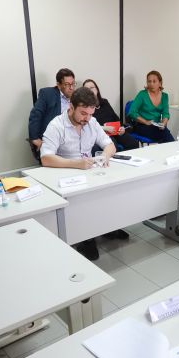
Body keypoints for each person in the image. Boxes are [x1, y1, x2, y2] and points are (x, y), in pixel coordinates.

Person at [40, 86, 119, 260]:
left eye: (90, 114)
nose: (87, 118)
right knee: (84, 200)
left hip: (88, 170)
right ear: (71, 106)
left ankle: (108, 227)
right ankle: (86, 238)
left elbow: (110, 145)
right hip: (65, 174)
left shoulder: (92, 122)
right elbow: (46, 158)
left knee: (112, 190)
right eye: (83, 113)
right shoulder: (56, 125)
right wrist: (76, 164)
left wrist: (105, 156)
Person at [28, 68, 75, 155]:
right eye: (67, 84)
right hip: (52, 140)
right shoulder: (48, 94)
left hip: (71, 141)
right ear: (59, 85)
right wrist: (35, 139)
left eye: (73, 84)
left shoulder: (76, 97)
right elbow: (36, 115)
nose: (71, 88)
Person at [82, 79, 139, 151]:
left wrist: (121, 128)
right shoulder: (85, 107)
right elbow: (88, 125)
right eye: (87, 89)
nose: (90, 91)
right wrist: (105, 128)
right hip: (102, 134)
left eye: (92, 88)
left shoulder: (104, 102)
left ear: (97, 89)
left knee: (134, 143)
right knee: (114, 147)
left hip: (115, 131)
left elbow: (115, 117)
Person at [127, 70, 174, 143]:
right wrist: (146, 122)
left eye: (154, 81)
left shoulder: (165, 96)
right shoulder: (142, 94)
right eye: (149, 81)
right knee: (165, 135)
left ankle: (170, 148)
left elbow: (166, 113)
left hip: (157, 126)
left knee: (163, 132)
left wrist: (163, 123)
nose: (151, 84)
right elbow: (132, 112)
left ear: (160, 83)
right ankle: (173, 147)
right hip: (142, 125)